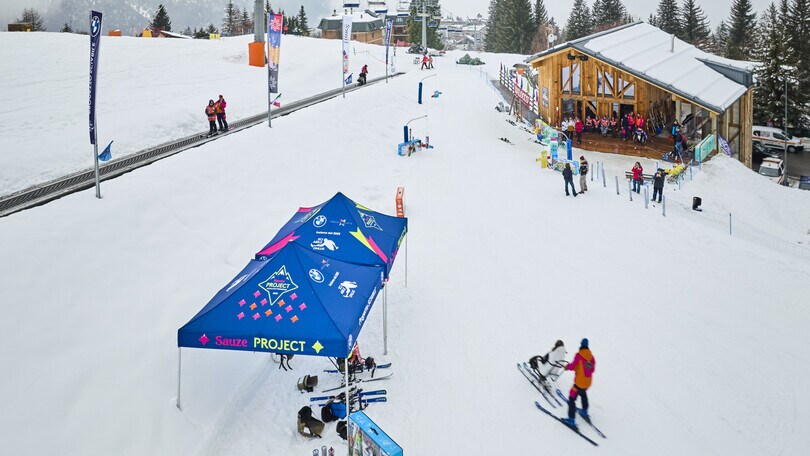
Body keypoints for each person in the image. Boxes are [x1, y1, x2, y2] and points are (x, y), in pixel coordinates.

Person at [561, 338, 596, 429]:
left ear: (581, 345)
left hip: (579, 383)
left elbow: (573, 366)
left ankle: (571, 420)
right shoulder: (591, 357)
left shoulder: (579, 355)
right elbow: (591, 369)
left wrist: (567, 367)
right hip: (587, 383)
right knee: (583, 393)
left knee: (571, 399)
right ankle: (584, 411)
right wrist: (580, 368)